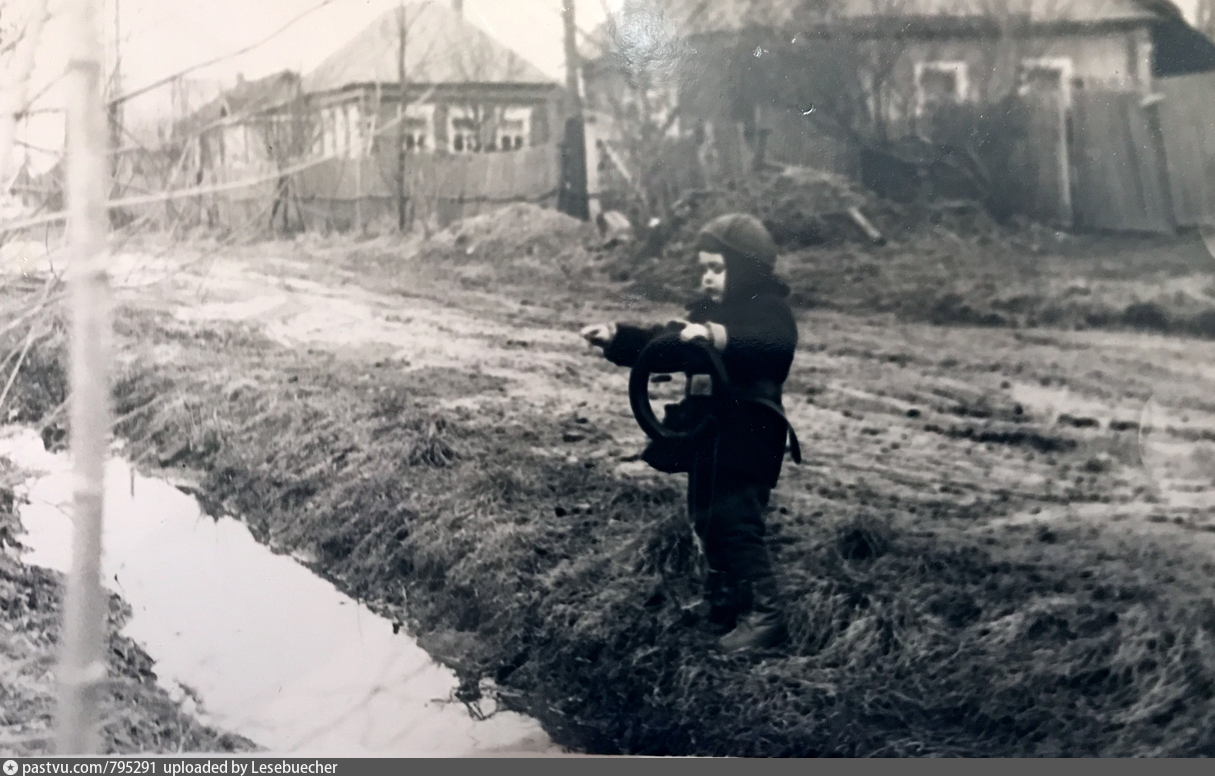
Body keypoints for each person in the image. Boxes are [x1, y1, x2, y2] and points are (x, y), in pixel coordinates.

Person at [580, 213, 799, 653]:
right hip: (709, 436)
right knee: (705, 517)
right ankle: (724, 601)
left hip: (749, 437)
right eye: (703, 268)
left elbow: (771, 346)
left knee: (737, 523)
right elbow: (667, 344)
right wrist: (620, 337)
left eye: (717, 268)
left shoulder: (769, 311)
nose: (708, 278)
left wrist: (716, 336)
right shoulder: (706, 313)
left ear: (747, 270)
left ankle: (767, 616)